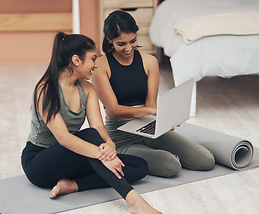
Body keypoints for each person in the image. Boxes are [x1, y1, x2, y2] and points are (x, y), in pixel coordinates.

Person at [21, 32, 164, 214]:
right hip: (40, 163)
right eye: (93, 59)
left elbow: (98, 126)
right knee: (88, 135)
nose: (96, 65)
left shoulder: (87, 89)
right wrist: (101, 154)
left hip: (72, 157)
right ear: (76, 60)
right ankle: (133, 199)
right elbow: (64, 138)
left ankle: (72, 185)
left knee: (139, 166)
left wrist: (110, 146)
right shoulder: (45, 90)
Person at [92, 10, 215, 178]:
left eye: (133, 41)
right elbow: (114, 110)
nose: (128, 48)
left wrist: (164, 120)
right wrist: (151, 112)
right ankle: (149, 154)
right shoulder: (100, 66)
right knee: (171, 166)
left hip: (148, 127)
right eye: (121, 44)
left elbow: (151, 105)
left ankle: (153, 151)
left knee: (206, 161)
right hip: (119, 136)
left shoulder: (150, 62)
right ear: (109, 40)